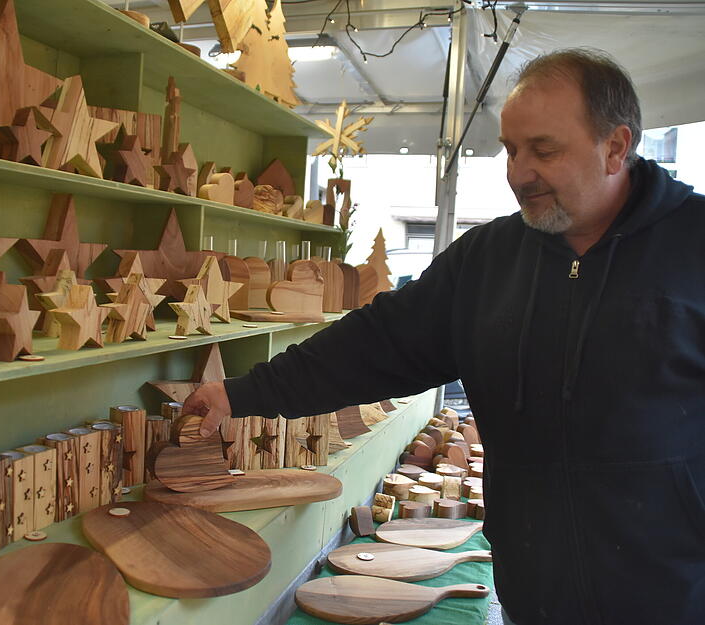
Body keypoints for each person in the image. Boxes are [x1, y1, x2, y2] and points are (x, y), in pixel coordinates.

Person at [182, 48, 705, 625]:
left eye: (543, 150)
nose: (517, 172)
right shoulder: (488, 261)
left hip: (674, 594)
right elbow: (374, 344)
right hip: (532, 595)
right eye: (510, 149)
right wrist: (242, 394)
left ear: (615, 146)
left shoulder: (693, 247)